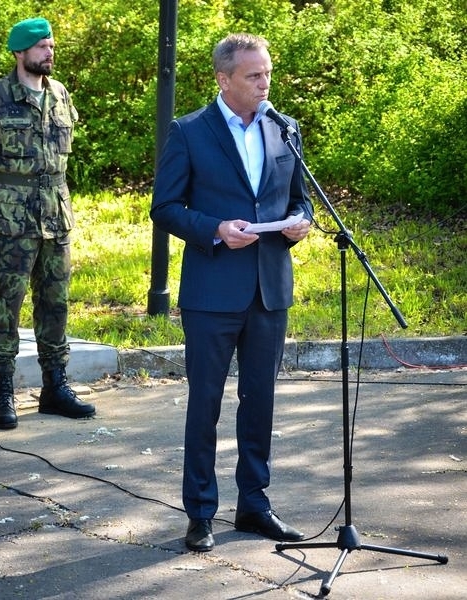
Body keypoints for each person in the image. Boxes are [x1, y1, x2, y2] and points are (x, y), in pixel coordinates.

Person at [150, 33, 313, 552]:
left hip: (269, 289)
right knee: (205, 404)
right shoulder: (190, 132)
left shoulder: (285, 129)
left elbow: (301, 201)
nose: (265, 83)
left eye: (267, 72)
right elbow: (166, 207)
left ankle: (254, 505)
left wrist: (300, 224)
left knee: (259, 402)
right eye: (254, 75)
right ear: (224, 80)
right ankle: (200, 513)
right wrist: (216, 228)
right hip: (212, 291)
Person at [0, 17, 95, 430]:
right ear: (19, 52)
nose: (49, 52)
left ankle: (55, 386)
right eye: (40, 47)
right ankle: (3, 390)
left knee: (55, 304)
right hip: (10, 221)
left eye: (51, 46)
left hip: (56, 217)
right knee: (7, 304)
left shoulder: (60, 94)